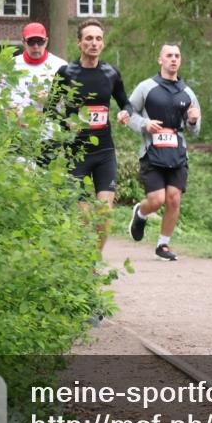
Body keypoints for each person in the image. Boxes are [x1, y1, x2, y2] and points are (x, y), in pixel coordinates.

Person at [48, 19, 132, 252]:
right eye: (88, 39)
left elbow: (126, 102)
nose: (94, 43)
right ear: (79, 43)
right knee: (84, 217)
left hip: (104, 152)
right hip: (77, 154)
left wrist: (126, 112)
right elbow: (50, 109)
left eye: (98, 39)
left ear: (102, 44)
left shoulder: (110, 72)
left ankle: (94, 259)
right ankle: (83, 257)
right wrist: (65, 122)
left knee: (104, 214)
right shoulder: (67, 73)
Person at [126, 43, 201, 261]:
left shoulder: (187, 92)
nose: (173, 59)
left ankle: (163, 245)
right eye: (169, 55)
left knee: (174, 199)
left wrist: (193, 121)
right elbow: (128, 113)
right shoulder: (146, 87)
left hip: (177, 153)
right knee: (157, 199)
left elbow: (194, 129)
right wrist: (144, 124)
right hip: (152, 152)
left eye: (177, 55)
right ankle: (141, 212)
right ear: (160, 60)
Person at [0, 22, 67, 162]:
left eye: (39, 42)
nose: (35, 46)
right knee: (20, 179)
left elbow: (72, 99)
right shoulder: (12, 64)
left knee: (45, 178)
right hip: (18, 134)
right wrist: (10, 109)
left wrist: (52, 98)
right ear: (23, 42)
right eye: (31, 42)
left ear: (46, 41)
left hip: (49, 135)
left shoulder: (60, 66)